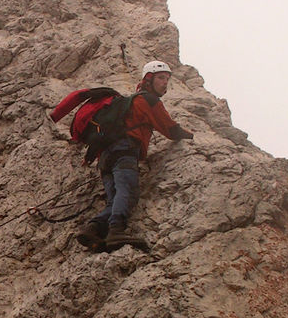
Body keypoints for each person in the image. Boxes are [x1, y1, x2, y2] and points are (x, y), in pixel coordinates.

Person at [51, 61, 194, 249]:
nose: (165, 83)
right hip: (124, 152)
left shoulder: (127, 104)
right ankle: (116, 231)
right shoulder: (148, 100)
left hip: (105, 158)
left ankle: (93, 229)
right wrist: (193, 136)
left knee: (115, 197)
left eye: (167, 79)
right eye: (161, 78)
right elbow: (170, 129)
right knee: (129, 192)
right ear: (148, 79)